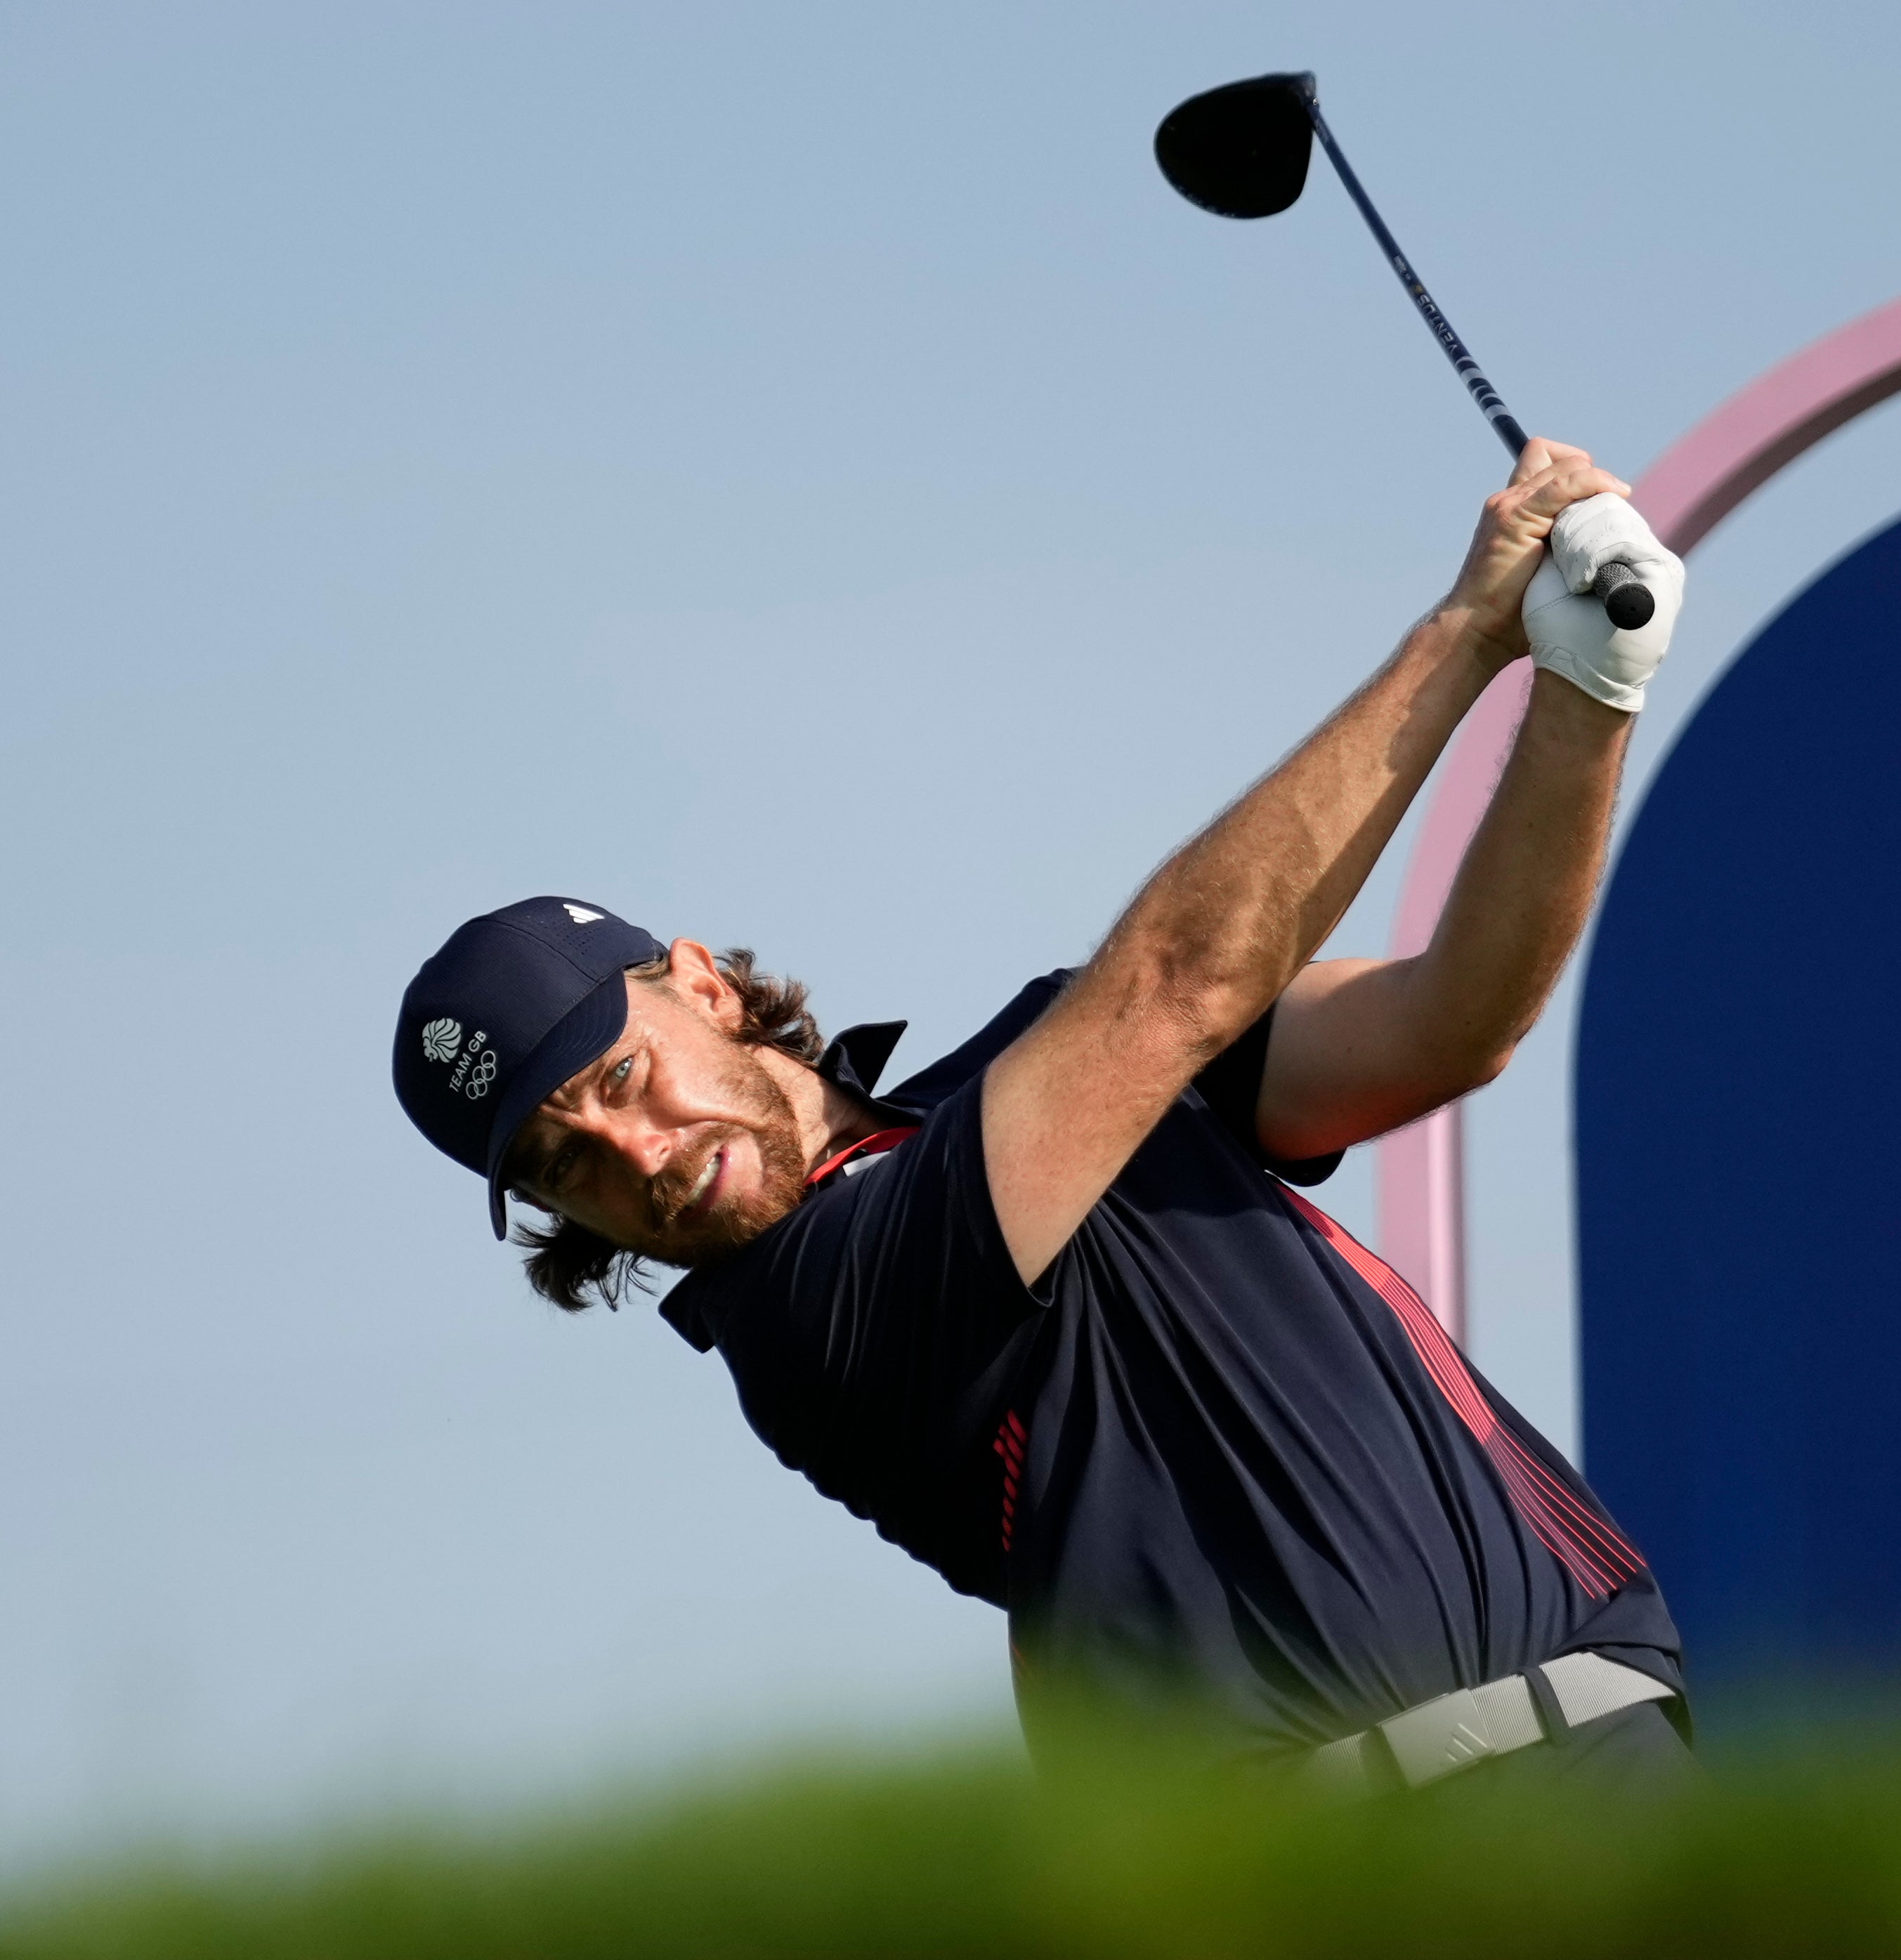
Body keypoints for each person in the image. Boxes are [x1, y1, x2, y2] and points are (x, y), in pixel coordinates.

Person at [392, 443, 1691, 1793]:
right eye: (565, 1165)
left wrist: (1589, 686)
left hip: (1612, 1778)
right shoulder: (803, 1319)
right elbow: (1178, 984)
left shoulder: (1048, 1056)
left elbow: (1449, 1023)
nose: (637, 1155)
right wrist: (1467, 629)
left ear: (704, 983)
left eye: (616, 1078)